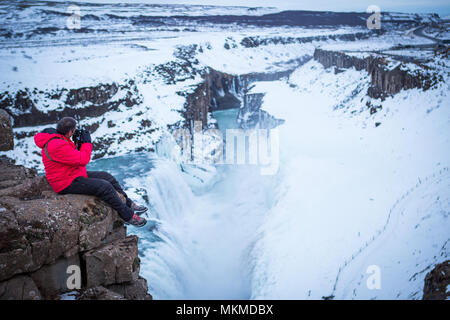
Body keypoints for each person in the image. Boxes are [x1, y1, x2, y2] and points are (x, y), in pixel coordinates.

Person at [34, 117, 147, 227]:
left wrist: (77, 143)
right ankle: (127, 216)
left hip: (71, 173)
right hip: (65, 182)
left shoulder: (58, 138)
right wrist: (86, 143)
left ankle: (128, 203)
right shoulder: (57, 145)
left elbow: (71, 157)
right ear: (70, 132)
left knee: (106, 177)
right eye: (74, 130)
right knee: (104, 186)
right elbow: (82, 160)